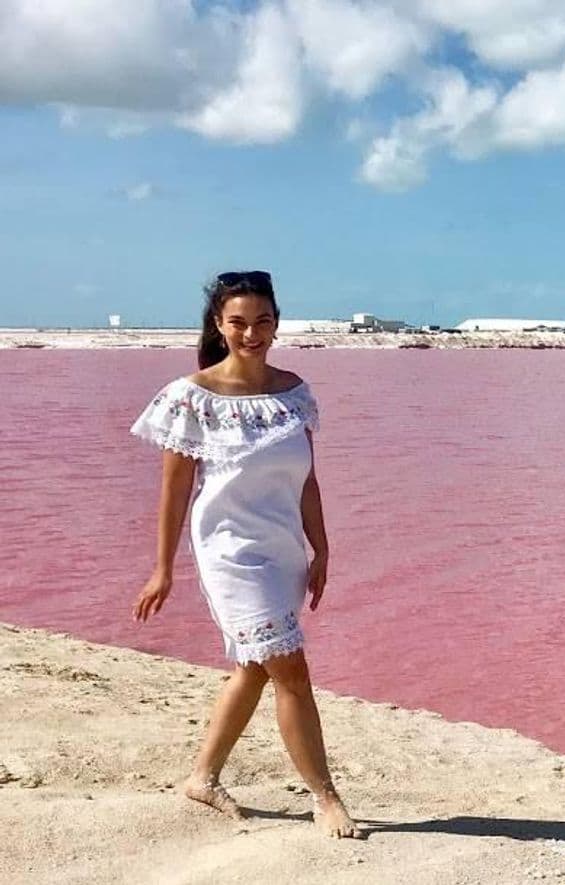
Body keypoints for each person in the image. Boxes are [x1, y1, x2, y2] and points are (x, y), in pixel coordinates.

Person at [130, 270, 361, 838]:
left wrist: (322, 547)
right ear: (219, 324)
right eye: (238, 322)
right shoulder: (191, 397)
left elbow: (306, 479)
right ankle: (325, 796)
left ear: (276, 323)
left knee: (255, 668)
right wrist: (163, 569)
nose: (251, 334)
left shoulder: (294, 392)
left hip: (282, 547)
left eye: (262, 322)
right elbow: (175, 492)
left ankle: (202, 777)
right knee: (291, 669)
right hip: (229, 551)